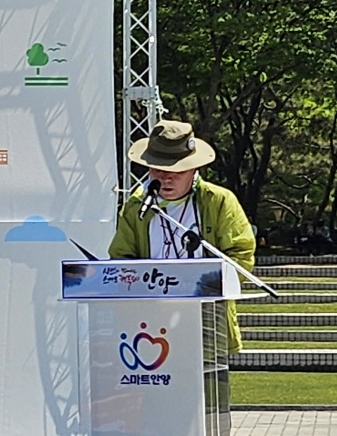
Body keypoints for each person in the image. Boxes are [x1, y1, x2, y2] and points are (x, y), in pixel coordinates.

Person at [107, 119, 256, 354]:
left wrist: (202, 283)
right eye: (158, 169)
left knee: (205, 377)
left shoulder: (218, 201)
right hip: (149, 321)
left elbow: (241, 256)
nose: (166, 178)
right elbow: (120, 258)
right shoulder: (136, 207)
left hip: (206, 318)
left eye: (176, 171)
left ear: (194, 169)